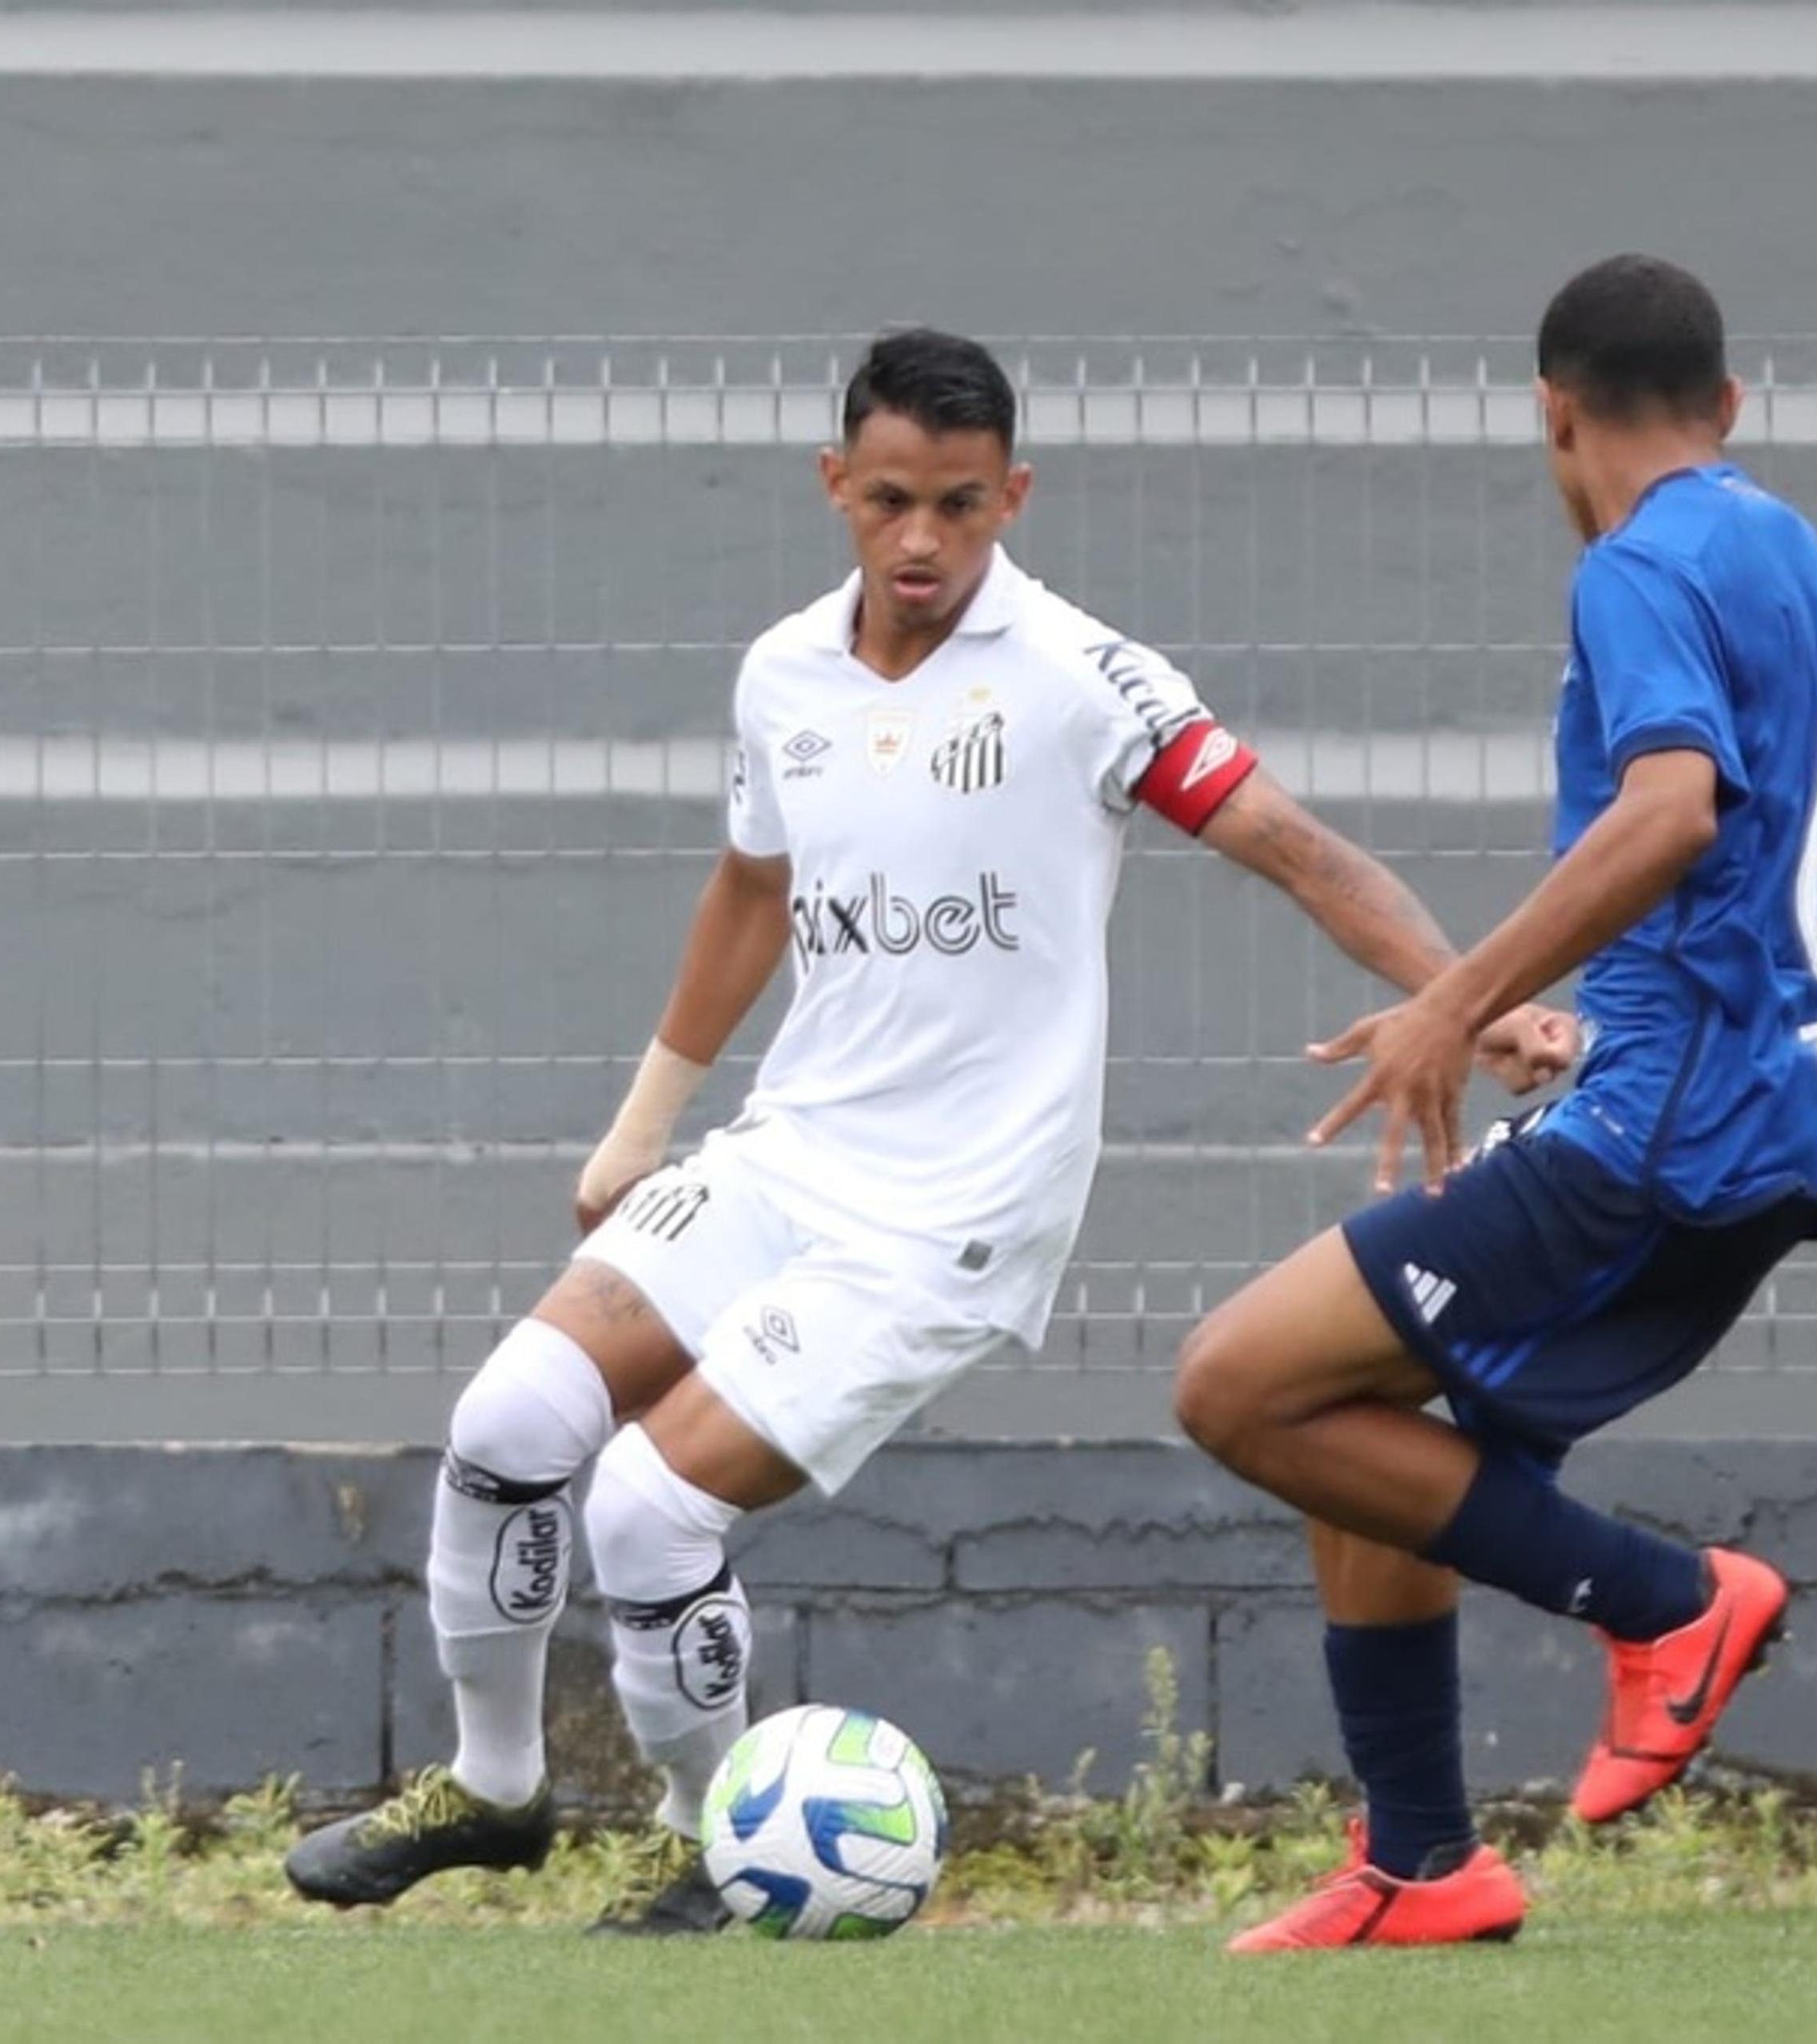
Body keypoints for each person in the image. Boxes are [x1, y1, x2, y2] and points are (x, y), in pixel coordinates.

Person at [285, 326, 1476, 1933]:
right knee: (507, 1423)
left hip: (954, 1214)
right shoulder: (785, 672)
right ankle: (497, 1792)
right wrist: (644, 1124)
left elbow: (1291, 844)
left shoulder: (1081, 677)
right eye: (895, 500)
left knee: (645, 1506)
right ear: (836, 483)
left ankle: (719, 1845)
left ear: (1016, 498)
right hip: (789, 1158)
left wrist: (1471, 996)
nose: (924, 541)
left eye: (964, 508)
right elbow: (753, 890)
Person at [1174, 254, 1817, 1953]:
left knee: (1236, 1384)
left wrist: (1453, 999)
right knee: (1381, 1453)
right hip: (1765, 1129)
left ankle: (1675, 1606)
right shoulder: (1799, 562)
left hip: (1657, 1131)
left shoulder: (1639, 569)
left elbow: (1667, 814)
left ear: (1551, 412)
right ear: (1727, 407)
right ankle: (1423, 1866)